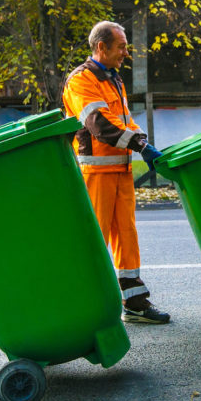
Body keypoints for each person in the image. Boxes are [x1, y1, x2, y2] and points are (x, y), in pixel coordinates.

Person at [62, 21, 170, 324]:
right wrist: (139, 145)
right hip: (95, 174)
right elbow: (98, 124)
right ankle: (81, 306)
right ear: (102, 47)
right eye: (121, 46)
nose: (125, 52)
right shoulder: (81, 81)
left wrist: (145, 143)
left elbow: (125, 121)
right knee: (95, 242)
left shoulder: (113, 79)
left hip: (119, 171)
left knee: (126, 236)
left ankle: (135, 302)